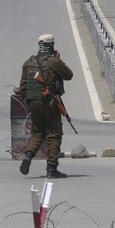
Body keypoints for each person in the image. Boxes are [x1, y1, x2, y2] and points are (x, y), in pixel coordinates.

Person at [16, 34, 73, 178]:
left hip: (33, 102)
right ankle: (51, 168)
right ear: (51, 45)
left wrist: (29, 102)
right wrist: (58, 60)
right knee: (54, 134)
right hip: (50, 102)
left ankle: (28, 155)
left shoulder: (28, 62)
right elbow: (69, 75)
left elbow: (22, 86)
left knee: (38, 133)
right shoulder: (54, 62)